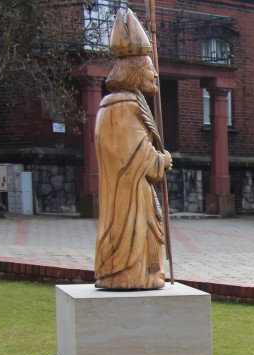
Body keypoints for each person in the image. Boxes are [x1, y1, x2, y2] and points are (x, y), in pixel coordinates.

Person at [94, 8, 172, 290]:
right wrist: (161, 160)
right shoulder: (121, 108)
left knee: (150, 233)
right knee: (135, 233)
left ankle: (149, 271)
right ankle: (128, 274)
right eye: (151, 73)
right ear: (136, 71)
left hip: (137, 192)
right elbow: (136, 156)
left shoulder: (128, 105)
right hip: (128, 195)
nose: (155, 79)